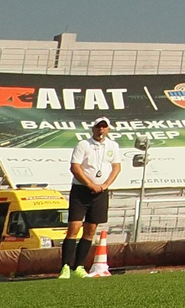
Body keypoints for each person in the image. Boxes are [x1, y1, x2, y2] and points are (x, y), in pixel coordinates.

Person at [61, 117, 122, 279]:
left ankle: (79, 266)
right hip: (81, 191)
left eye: (104, 127)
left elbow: (116, 167)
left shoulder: (113, 146)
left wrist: (105, 185)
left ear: (108, 129)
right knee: (74, 227)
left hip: (100, 192)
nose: (101, 130)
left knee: (90, 230)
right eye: (98, 127)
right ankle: (65, 266)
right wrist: (89, 184)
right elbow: (75, 167)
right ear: (93, 128)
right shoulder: (83, 145)